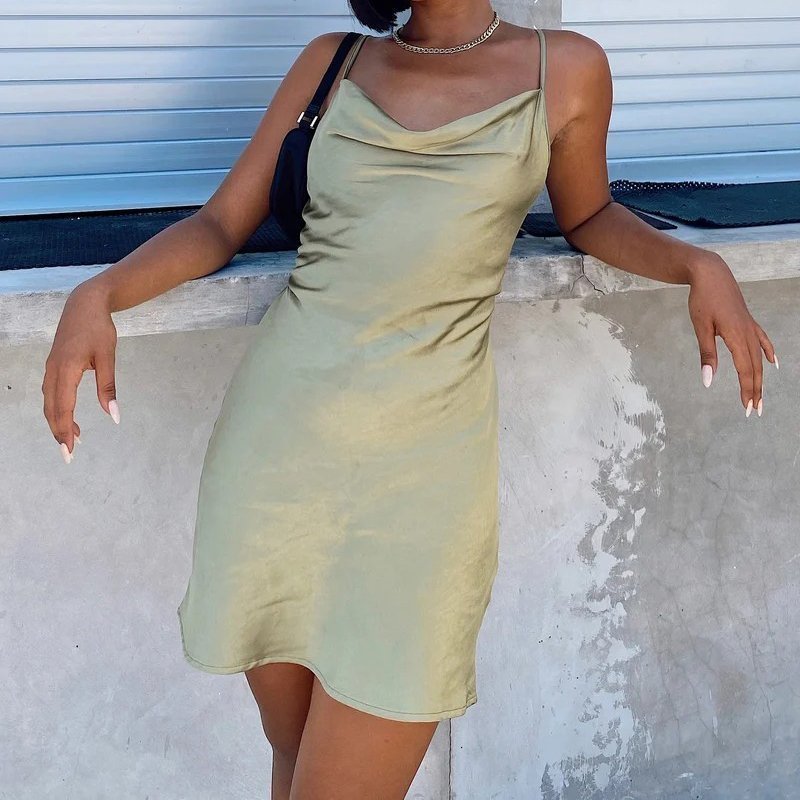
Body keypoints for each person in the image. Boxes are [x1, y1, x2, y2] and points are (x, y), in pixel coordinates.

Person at [41, 1, 777, 798]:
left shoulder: (565, 68)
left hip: (425, 480)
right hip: (277, 458)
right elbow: (221, 222)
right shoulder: (333, 63)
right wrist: (99, 292)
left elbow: (589, 214)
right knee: (293, 762)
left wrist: (696, 264)